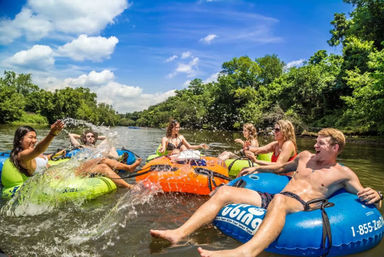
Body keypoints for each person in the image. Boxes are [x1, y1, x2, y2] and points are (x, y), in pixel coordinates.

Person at [150, 128, 383, 257]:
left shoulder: (344, 173)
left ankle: (246, 252)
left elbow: (364, 196)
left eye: (321, 144)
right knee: (224, 192)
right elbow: (280, 168)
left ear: (335, 148)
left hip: (301, 206)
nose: (315, 146)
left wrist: (377, 196)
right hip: (276, 197)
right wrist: (257, 166)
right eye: (316, 142)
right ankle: (179, 233)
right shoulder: (304, 157)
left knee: (281, 200)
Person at [9, 121, 136, 188]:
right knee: (101, 163)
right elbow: (37, 151)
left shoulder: (29, 155)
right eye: (30, 137)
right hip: (57, 177)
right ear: (20, 139)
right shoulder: (23, 155)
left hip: (58, 171)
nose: (34, 140)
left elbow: (40, 156)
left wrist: (52, 156)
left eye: (35, 138)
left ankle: (128, 169)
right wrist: (52, 134)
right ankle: (129, 183)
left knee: (101, 163)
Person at [69, 130, 142, 175]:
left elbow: (109, 138)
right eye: (88, 136)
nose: (91, 137)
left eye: (92, 136)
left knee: (110, 146)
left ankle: (119, 159)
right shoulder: (81, 146)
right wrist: (82, 137)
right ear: (85, 138)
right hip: (92, 160)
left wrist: (96, 137)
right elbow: (71, 135)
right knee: (102, 151)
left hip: (101, 155)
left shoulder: (97, 146)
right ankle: (119, 159)